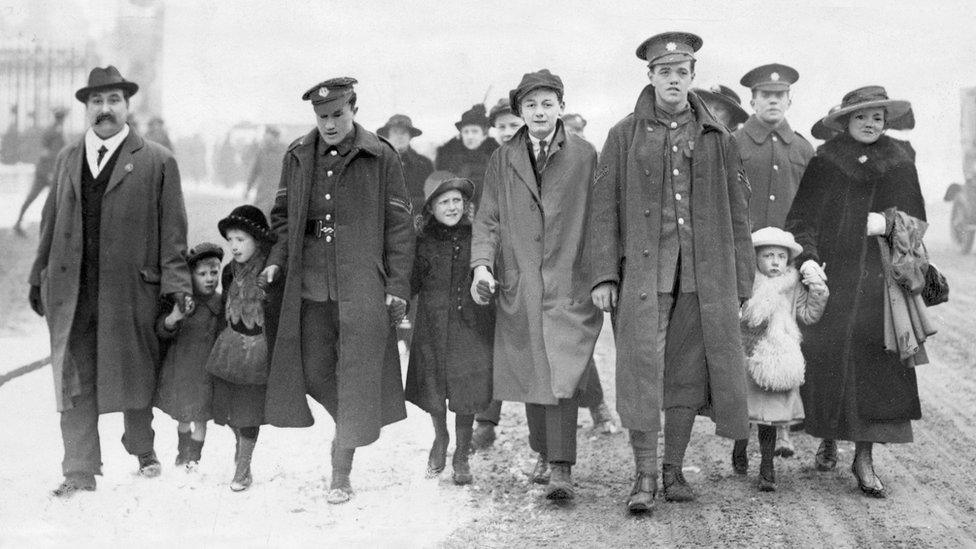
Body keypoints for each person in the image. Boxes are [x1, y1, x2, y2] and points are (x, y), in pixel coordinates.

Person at [586, 32, 753, 513]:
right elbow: (603, 210)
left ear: (693, 76)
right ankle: (642, 478)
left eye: (682, 72)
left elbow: (737, 213)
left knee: (685, 375)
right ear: (651, 77)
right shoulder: (623, 135)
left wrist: (742, 282)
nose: (673, 80)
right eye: (664, 72)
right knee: (641, 372)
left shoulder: (717, 138)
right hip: (644, 280)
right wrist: (603, 277)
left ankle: (672, 471)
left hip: (704, 279)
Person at [28, 66, 191, 497]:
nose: (105, 110)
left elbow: (174, 234)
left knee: (133, 371)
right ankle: (79, 470)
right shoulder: (66, 158)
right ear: (86, 108)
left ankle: (142, 449)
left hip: (130, 291)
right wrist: (36, 274)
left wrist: (177, 288)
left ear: (127, 106)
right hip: (73, 291)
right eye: (96, 102)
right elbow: (51, 221)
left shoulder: (157, 160)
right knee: (74, 378)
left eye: (113, 101)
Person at [261, 77, 414, 505]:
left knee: (357, 375)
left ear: (353, 109)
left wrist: (397, 284)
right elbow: (282, 218)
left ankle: (341, 470)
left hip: (362, 285)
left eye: (336, 115)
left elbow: (400, 226)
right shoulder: (296, 154)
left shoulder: (381, 155)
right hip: (309, 287)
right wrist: (276, 260)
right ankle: (350, 422)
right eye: (322, 116)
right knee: (311, 371)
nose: (329, 124)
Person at [785, 86, 924, 498]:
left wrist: (889, 223)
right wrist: (807, 258)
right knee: (826, 364)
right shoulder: (826, 161)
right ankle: (828, 436)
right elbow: (801, 219)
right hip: (834, 280)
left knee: (875, 370)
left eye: (877, 117)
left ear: (886, 121)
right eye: (861, 117)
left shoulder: (900, 160)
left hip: (883, 284)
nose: (870, 124)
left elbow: (918, 220)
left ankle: (863, 457)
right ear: (846, 121)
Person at [471, 69, 603, 501]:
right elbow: (488, 217)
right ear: (520, 111)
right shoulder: (502, 158)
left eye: (548, 103)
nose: (539, 112)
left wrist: (601, 274)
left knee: (562, 370)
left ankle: (562, 465)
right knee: (531, 368)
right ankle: (543, 454)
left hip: (569, 278)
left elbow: (602, 219)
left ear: (561, 107)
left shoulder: (584, 155)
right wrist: (482, 267)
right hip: (521, 278)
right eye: (530, 105)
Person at [732, 63, 814, 459]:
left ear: (789, 100)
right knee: (747, 339)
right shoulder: (735, 143)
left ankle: (782, 429)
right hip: (746, 263)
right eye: (765, 95)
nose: (773, 101)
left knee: (784, 341)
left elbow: (812, 210)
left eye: (779, 96)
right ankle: (744, 424)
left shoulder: (801, 148)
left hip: (787, 267)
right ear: (752, 100)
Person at [406, 175, 494, 486]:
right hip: (431, 325)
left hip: (469, 326)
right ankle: (440, 437)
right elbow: (410, 282)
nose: (452, 206)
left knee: (466, 391)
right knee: (433, 387)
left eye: (457, 200)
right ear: (431, 207)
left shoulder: (478, 237)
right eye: (444, 201)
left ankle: (461, 454)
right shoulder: (421, 240)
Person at [733, 227, 828, 491]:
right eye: (767, 255)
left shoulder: (793, 285)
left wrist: (818, 291)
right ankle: (739, 445)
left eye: (780, 256)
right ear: (755, 258)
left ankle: (766, 466)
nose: (775, 262)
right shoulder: (747, 282)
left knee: (769, 415)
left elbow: (808, 315)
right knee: (746, 409)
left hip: (779, 356)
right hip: (750, 352)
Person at [205, 205, 276, 491]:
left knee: (248, 410)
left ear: (257, 241)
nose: (234, 246)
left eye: (241, 240)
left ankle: (243, 468)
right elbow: (224, 308)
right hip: (230, 345)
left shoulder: (269, 272)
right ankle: (240, 446)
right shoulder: (227, 272)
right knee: (229, 407)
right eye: (230, 240)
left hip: (257, 348)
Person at [154, 242, 224, 471]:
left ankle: (194, 458)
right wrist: (173, 318)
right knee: (183, 418)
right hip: (182, 372)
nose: (209, 278)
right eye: (202, 274)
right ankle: (182, 452)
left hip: (205, 374)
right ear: (190, 276)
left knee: (201, 420)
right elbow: (162, 330)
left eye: (214, 272)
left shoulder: (219, 303)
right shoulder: (183, 302)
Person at [14, 107, 68, 236]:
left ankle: (20, 222)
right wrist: (50, 172)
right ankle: (52, 229)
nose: (63, 120)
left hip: (46, 171)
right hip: (47, 172)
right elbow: (50, 154)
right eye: (62, 118)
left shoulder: (55, 130)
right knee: (56, 198)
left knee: (49, 198)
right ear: (60, 118)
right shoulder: (55, 131)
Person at [435, 103, 498, 207]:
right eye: (466, 132)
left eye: (474, 131)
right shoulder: (449, 159)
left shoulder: (495, 156)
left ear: (484, 135)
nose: (470, 136)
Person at [378, 114, 433, 215]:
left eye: (403, 132)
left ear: (410, 136)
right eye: (395, 132)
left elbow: (432, 198)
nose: (399, 136)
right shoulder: (378, 163)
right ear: (388, 136)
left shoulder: (424, 164)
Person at [245, 125, 287, 217]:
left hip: (278, 194)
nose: (267, 143)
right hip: (263, 194)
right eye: (266, 140)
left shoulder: (286, 153)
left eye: (270, 140)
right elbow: (254, 172)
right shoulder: (261, 152)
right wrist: (248, 188)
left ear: (276, 139)